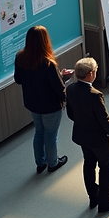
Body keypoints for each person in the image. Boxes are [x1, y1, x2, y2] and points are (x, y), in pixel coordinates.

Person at [66, 57, 109, 213]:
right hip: (98, 138)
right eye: (96, 71)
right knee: (106, 166)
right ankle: (105, 202)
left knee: (89, 163)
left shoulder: (70, 89)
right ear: (90, 74)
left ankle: (93, 196)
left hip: (82, 135)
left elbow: (70, 114)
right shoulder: (94, 94)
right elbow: (103, 118)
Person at [14, 25, 69, 175]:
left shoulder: (20, 57)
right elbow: (58, 87)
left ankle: (40, 163)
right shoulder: (48, 63)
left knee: (39, 132)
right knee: (51, 135)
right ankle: (53, 163)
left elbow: (18, 79)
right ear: (45, 41)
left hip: (33, 104)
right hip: (50, 106)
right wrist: (65, 83)